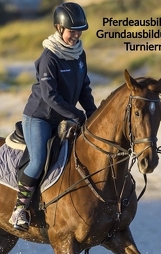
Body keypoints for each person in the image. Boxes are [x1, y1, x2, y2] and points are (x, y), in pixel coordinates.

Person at [9, 2, 97, 231]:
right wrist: (76, 114)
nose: (76, 35)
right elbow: (50, 96)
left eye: (79, 30)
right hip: (39, 117)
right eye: (72, 30)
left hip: (65, 117)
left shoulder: (79, 55)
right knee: (38, 160)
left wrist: (93, 114)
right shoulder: (49, 57)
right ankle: (19, 210)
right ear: (59, 28)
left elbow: (84, 88)